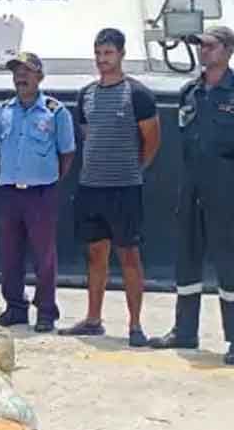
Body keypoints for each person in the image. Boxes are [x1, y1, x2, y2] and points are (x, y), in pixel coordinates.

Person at [149, 26, 234, 364]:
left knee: (231, 265)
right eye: (201, 46)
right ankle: (184, 331)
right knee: (186, 260)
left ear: (228, 50)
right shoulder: (190, 92)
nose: (203, 51)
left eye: (210, 46)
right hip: (191, 188)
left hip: (225, 190)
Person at [60, 29, 160, 345]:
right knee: (95, 254)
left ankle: (134, 325)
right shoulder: (85, 94)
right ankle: (93, 319)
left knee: (129, 255)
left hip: (125, 189)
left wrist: (133, 169)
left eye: (109, 53)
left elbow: (152, 140)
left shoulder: (138, 94)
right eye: (99, 53)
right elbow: (89, 135)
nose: (103, 60)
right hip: (91, 187)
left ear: (121, 55)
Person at [0, 52, 76, 333]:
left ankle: (46, 311)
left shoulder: (55, 112)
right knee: (9, 254)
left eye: (27, 71)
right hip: (9, 192)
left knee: (44, 256)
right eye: (16, 72)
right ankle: (15, 308)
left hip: (41, 193)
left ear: (40, 76)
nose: (21, 77)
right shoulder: (3, 110)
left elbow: (67, 153)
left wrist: (48, 180)